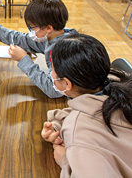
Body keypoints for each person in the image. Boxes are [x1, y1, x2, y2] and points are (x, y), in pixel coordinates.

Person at [41, 33, 132, 177]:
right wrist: (58, 122)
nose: (51, 74)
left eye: (52, 70)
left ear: (67, 84)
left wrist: (64, 161)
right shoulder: (117, 82)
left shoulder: (79, 136)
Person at [0, 0, 78, 98]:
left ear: (48, 28)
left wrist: (24, 60)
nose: (30, 32)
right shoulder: (54, 37)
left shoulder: (63, 51)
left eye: (32, 27)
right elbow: (19, 38)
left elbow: (53, 90)